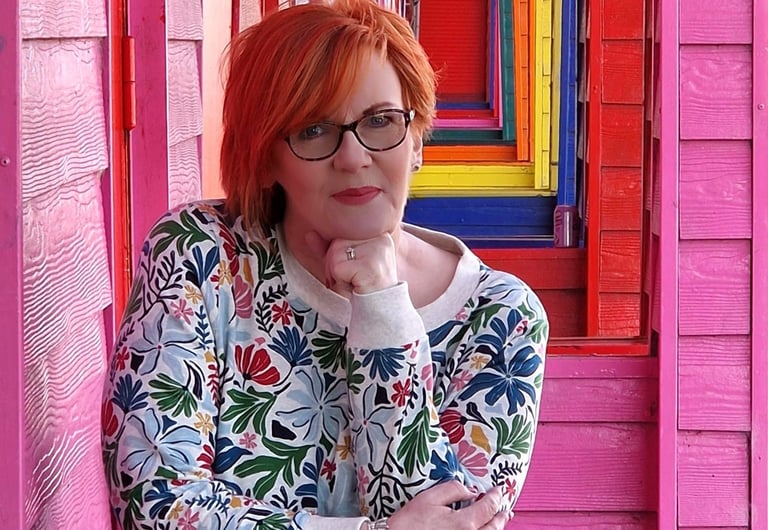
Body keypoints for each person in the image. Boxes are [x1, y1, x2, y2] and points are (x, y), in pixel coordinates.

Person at [102, 1, 548, 528]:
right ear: (266, 155)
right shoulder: (202, 257)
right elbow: (157, 507)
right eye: (314, 129)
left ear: (419, 140)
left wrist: (384, 313)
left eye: (381, 121)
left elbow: (452, 517)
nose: (354, 157)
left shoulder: (501, 317)